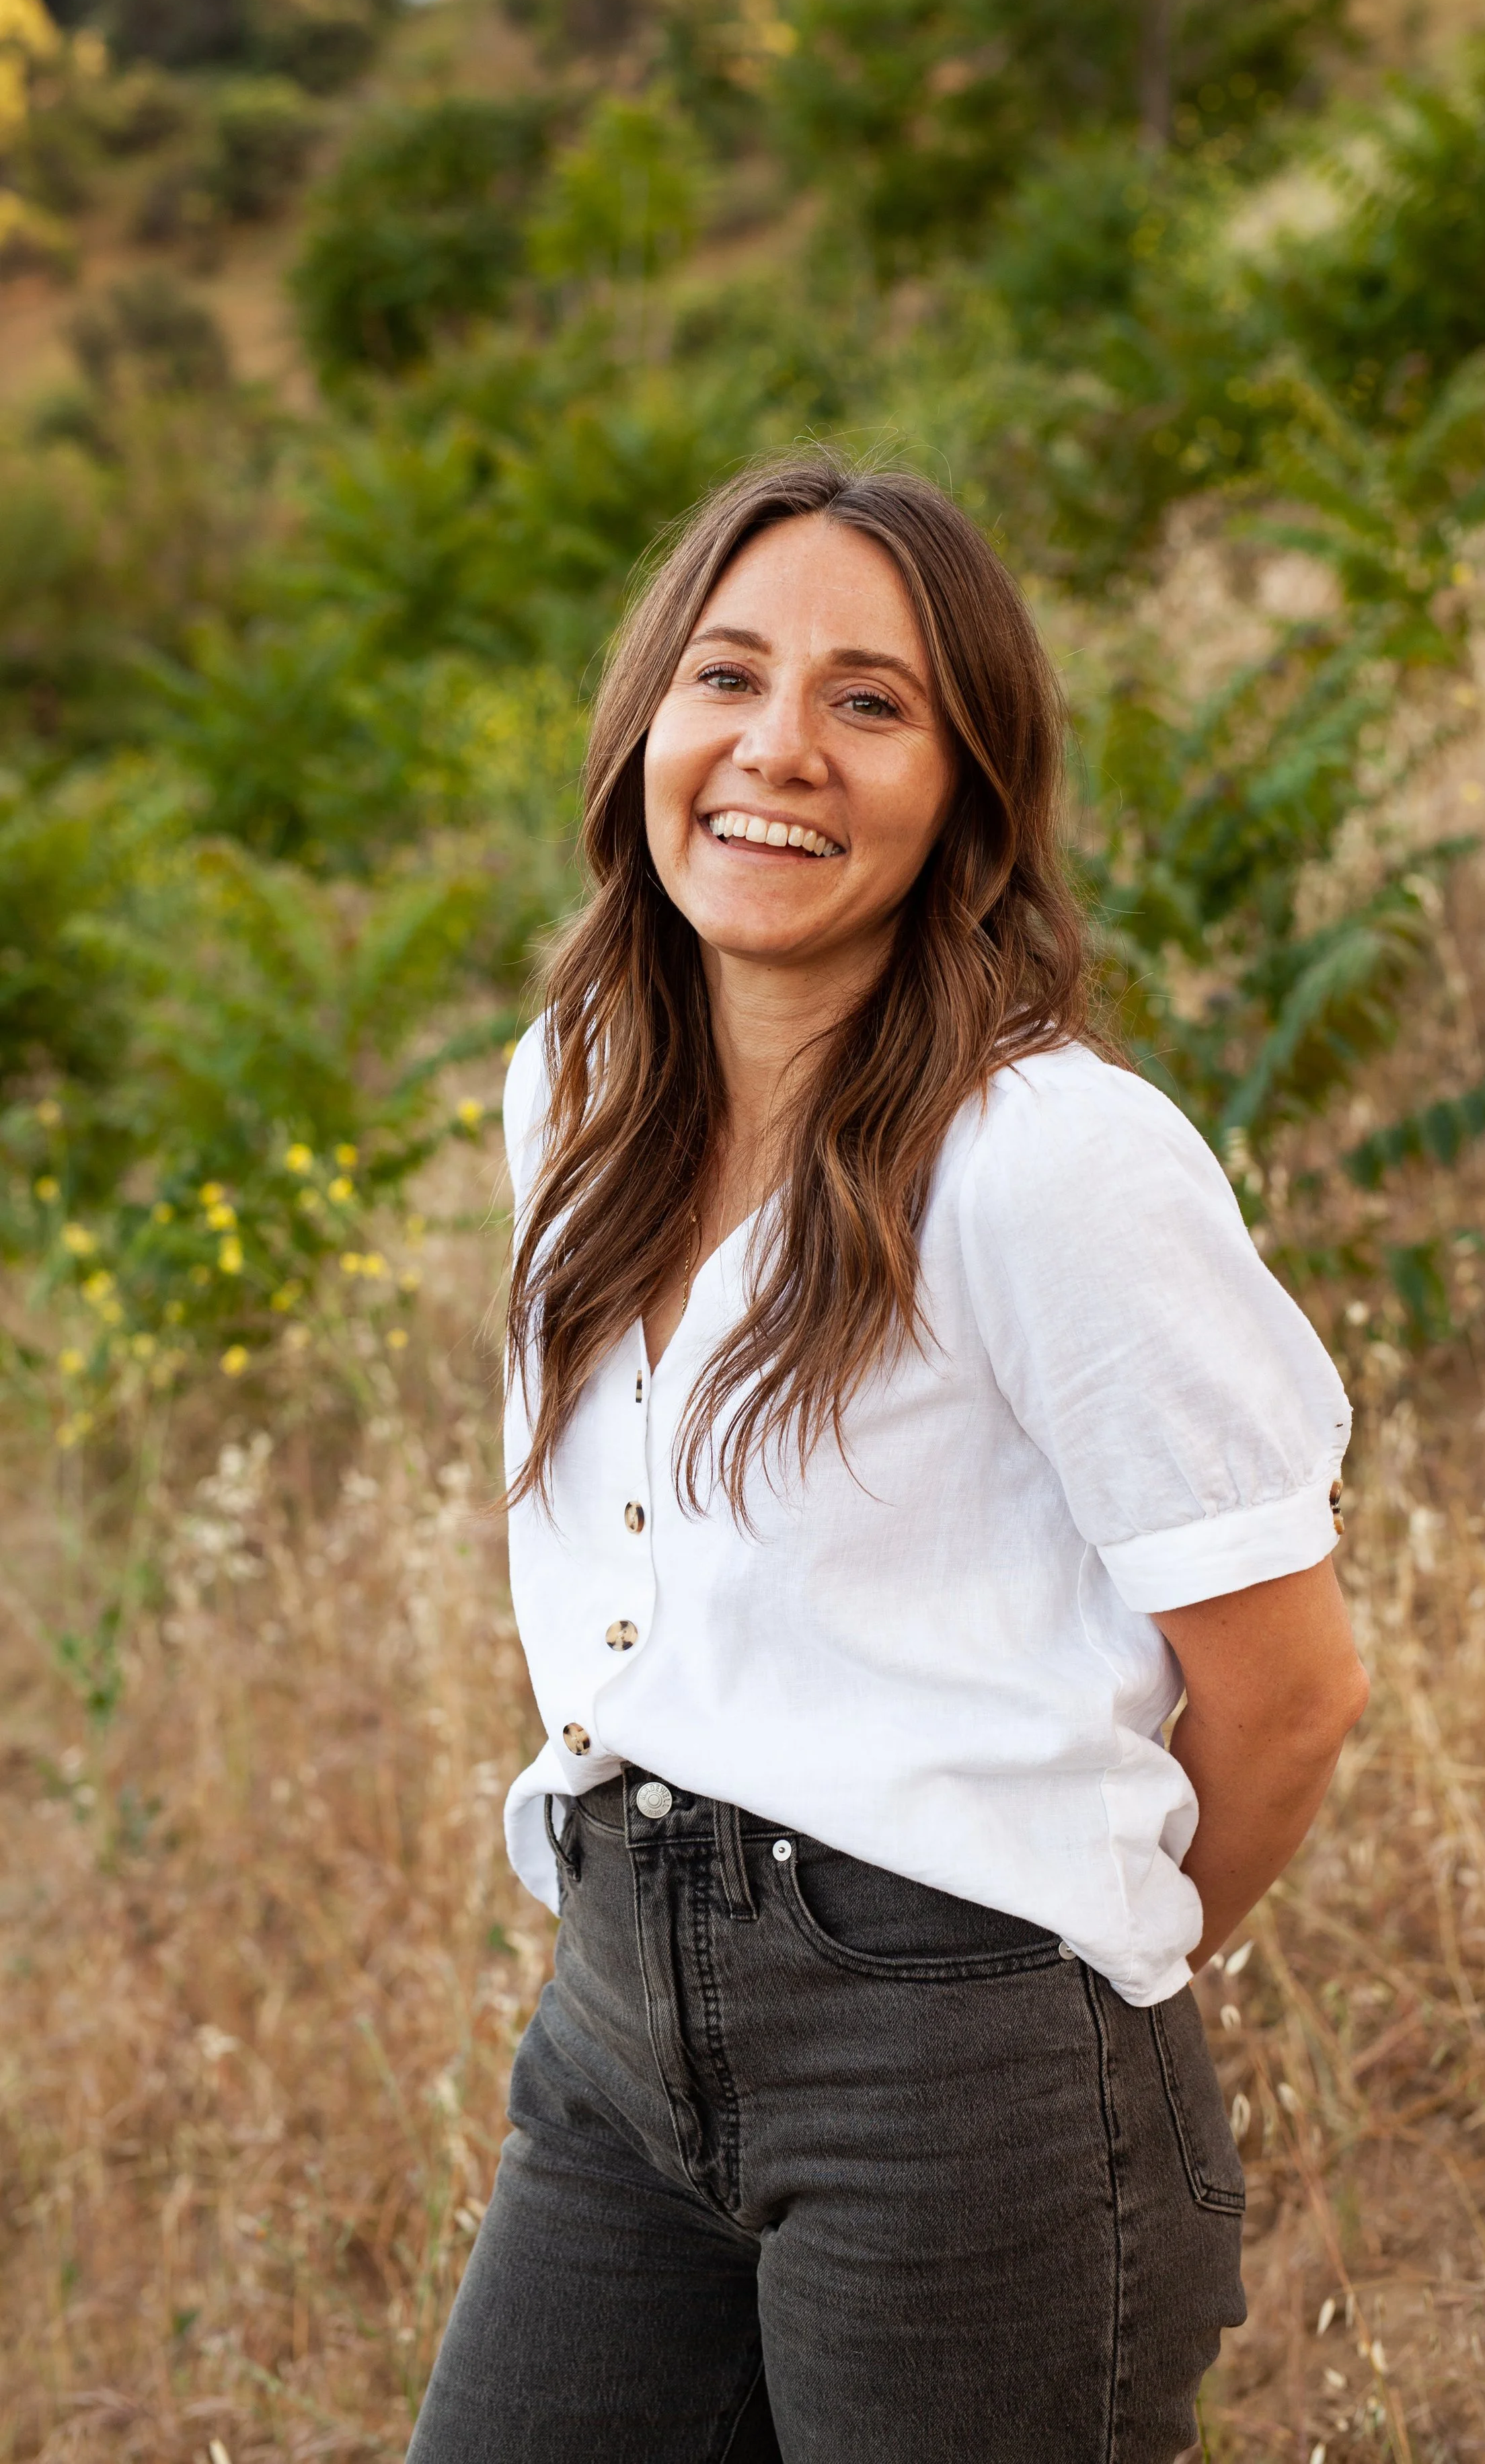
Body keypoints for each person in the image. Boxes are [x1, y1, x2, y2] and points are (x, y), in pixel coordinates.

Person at [408, 453, 1368, 2464]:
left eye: (870, 700)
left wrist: (1029, 1984)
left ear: (967, 790)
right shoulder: (573, 1081)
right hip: (611, 2005)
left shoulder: (1048, 1158)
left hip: (960, 2061)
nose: (777, 748)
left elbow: (1284, 1693)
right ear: (644, 721)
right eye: (727, 674)